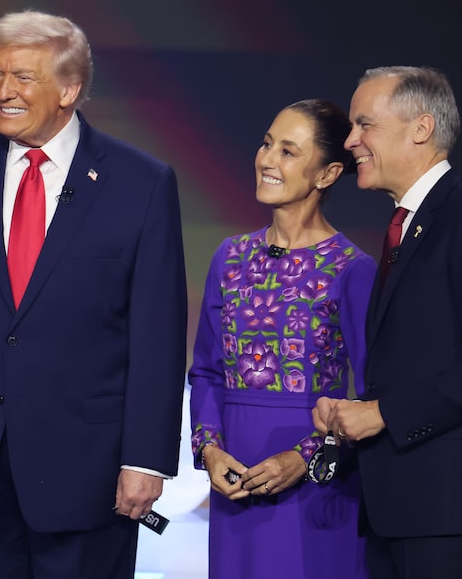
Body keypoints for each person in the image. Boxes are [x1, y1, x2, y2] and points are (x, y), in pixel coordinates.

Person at [0, 10, 187, 578]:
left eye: (23, 78)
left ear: (69, 89)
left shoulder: (141, 183)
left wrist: (145, 458)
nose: (3, 92)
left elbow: (157, 334)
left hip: (89, 469)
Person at [313, 66, 462, 579]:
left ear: (421, 128)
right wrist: (356, 411)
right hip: (402, 503)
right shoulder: (410, 224)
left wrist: (382, 413)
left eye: (364, 125)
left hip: (449, 506)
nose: (351, 142)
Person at [188, 99, 375, 578]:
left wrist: (303, 457)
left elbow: (375, 398)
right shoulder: (230, 257)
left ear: (328, 174)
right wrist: (209, 451)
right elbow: (207, 369)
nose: (267, 160)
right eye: (267, 143)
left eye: (288, 152)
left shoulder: (350, 269)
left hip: (315, 488)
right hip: (235, 483)